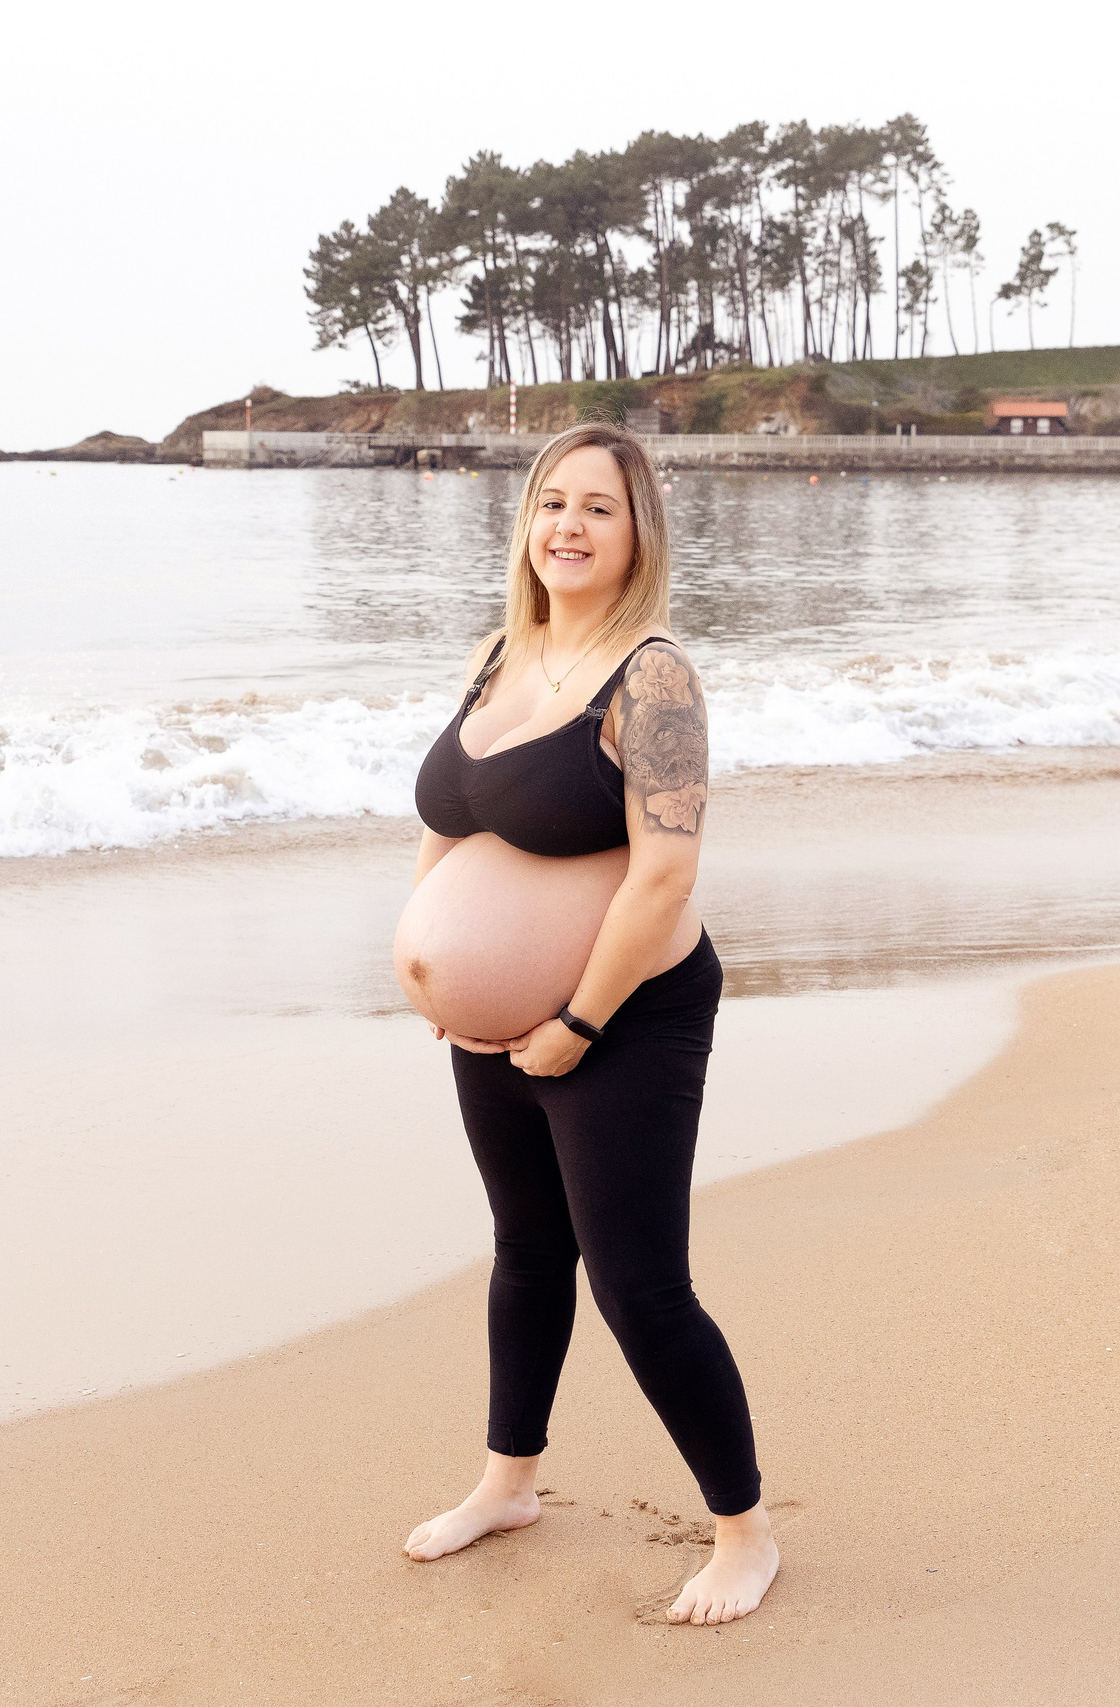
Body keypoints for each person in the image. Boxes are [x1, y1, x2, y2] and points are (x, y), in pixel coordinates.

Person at [391, 421, 778, 1626]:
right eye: (550, 502)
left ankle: (744, 1533)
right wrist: (431, 969)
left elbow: (662, 875)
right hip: (494, 1030)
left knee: (639, 1285)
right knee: (524, 1254)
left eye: (597, 508)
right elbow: (450, 824)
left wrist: (572, 1020)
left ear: (636, 531)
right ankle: (510, 1482)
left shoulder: (652, 676)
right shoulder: (497, 653)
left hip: (626, 1013)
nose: (566, 525)